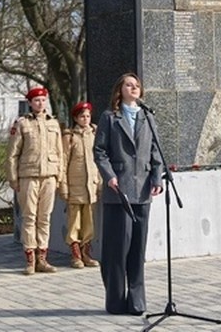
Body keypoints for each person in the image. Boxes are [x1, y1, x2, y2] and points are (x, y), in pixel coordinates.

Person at [93, 72, 163, 315]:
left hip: (143, 190)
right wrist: (109, 175)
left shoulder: (147, 117)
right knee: (116, 251)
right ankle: (115, 301)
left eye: (136, 85)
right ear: (120, 90)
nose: (133, 88)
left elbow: (156, 152)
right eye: (128, 84)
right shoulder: (109, 117)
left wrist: (157, 179)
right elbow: (99, 151)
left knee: (137, 250)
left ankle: (136, 301)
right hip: (118, 190)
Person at [6, 86, 65, 275]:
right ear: (30, 103)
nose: (40, 103)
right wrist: (13, 178)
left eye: (43, 100)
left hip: (49, 176)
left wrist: (60, 176)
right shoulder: (22, 123)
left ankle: (42, 258)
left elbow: (60, 152)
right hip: (28, 176)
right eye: (36, 100)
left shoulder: (54, 123)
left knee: (45, 218)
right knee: (29, 217)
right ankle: (30, 259)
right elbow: (12, 154)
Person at [59, 101, 102, 269]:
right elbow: (63, 161)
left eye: (88, 116)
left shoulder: (95, 134)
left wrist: (99, 182)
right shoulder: (70, 136)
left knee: (89, 222)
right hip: (75, 185)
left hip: (91, 185)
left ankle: (86, 252)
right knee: (74, 222)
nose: (85, 119)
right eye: (82, 116)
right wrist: (63, 186)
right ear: (76, 118)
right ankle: (75, 254)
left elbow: (99, 159)